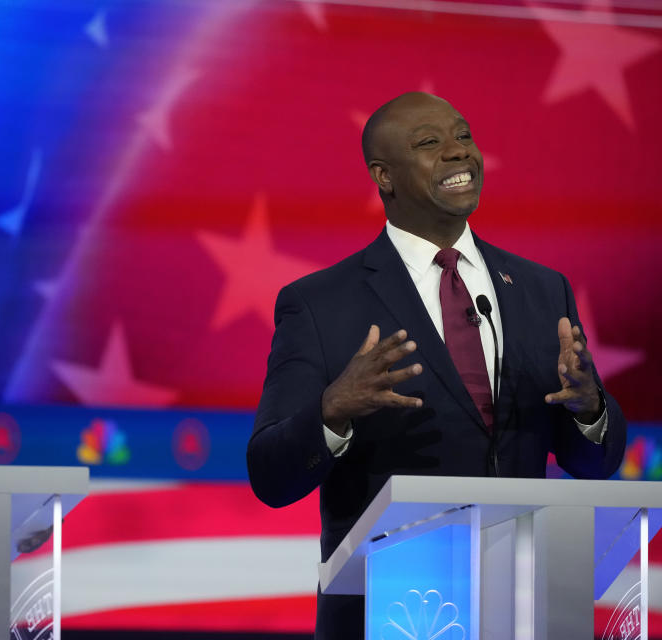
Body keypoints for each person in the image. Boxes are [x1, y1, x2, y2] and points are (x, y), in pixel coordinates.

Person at [247, 91, 626, 639]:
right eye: (430, 143)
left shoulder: (543, 291)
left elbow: (594, 465)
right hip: (390, 613)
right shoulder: (321, 303)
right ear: (384, 176)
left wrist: (590, 408)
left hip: (521, 608)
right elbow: (269, 475)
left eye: (464, 136)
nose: (458, 152)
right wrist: (331, 411)